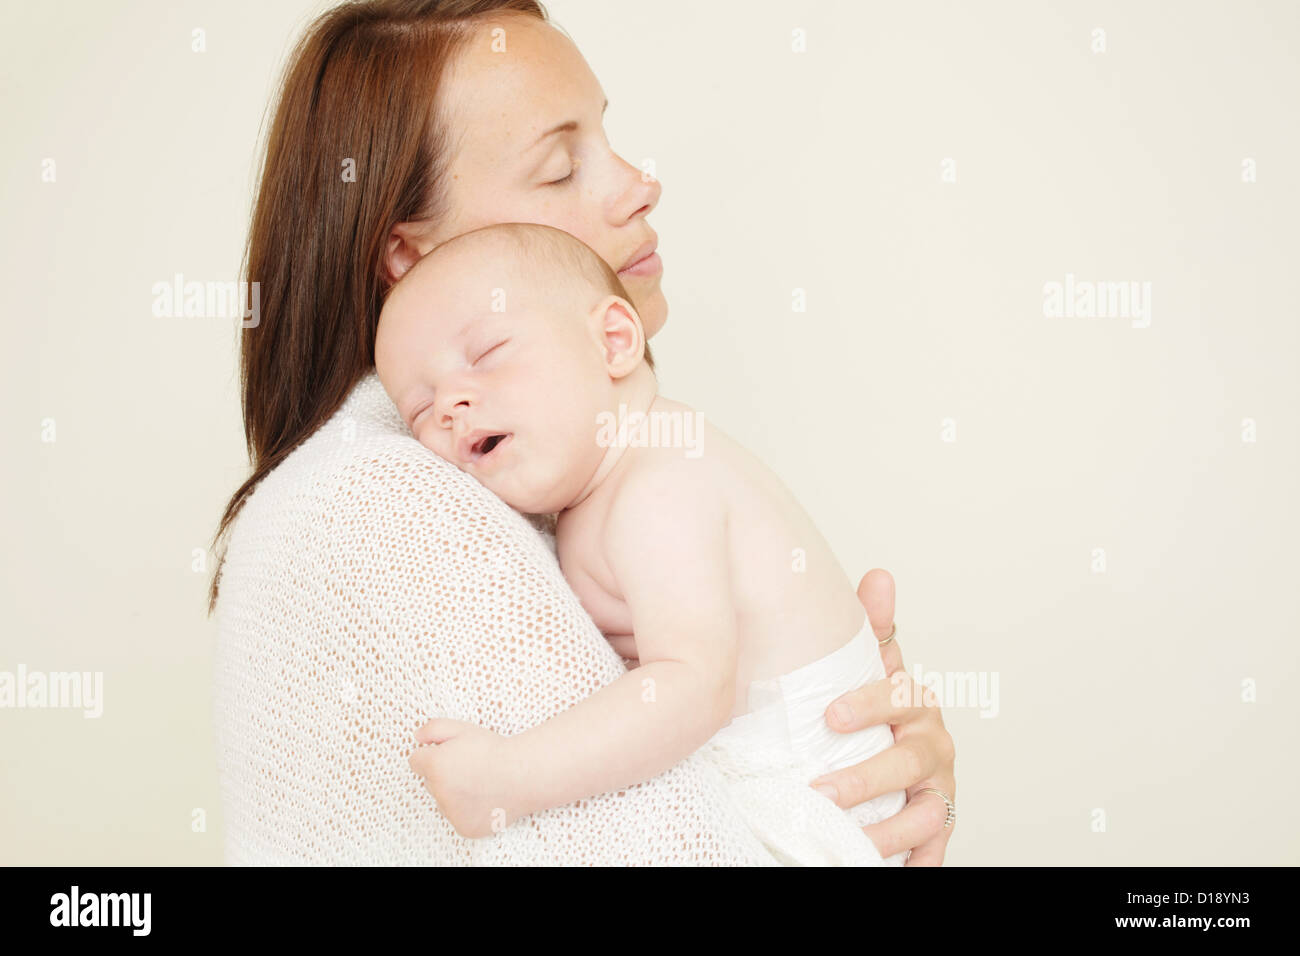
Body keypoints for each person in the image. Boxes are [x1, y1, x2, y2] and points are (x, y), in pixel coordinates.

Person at [211, 0, 956, 866]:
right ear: (408, 255)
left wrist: (876, 783)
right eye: (563, 167)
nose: (640, 182)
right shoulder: (384, 507)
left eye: (607, 139)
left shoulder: (563, 472)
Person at [375, 221, 910, 865]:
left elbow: (692, 688)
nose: (451, 406)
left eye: (486, 354)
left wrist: (510, 777)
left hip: (809, 793)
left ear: (614, 341)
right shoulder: (600, 480)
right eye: (419, 410)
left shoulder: (659, 486)